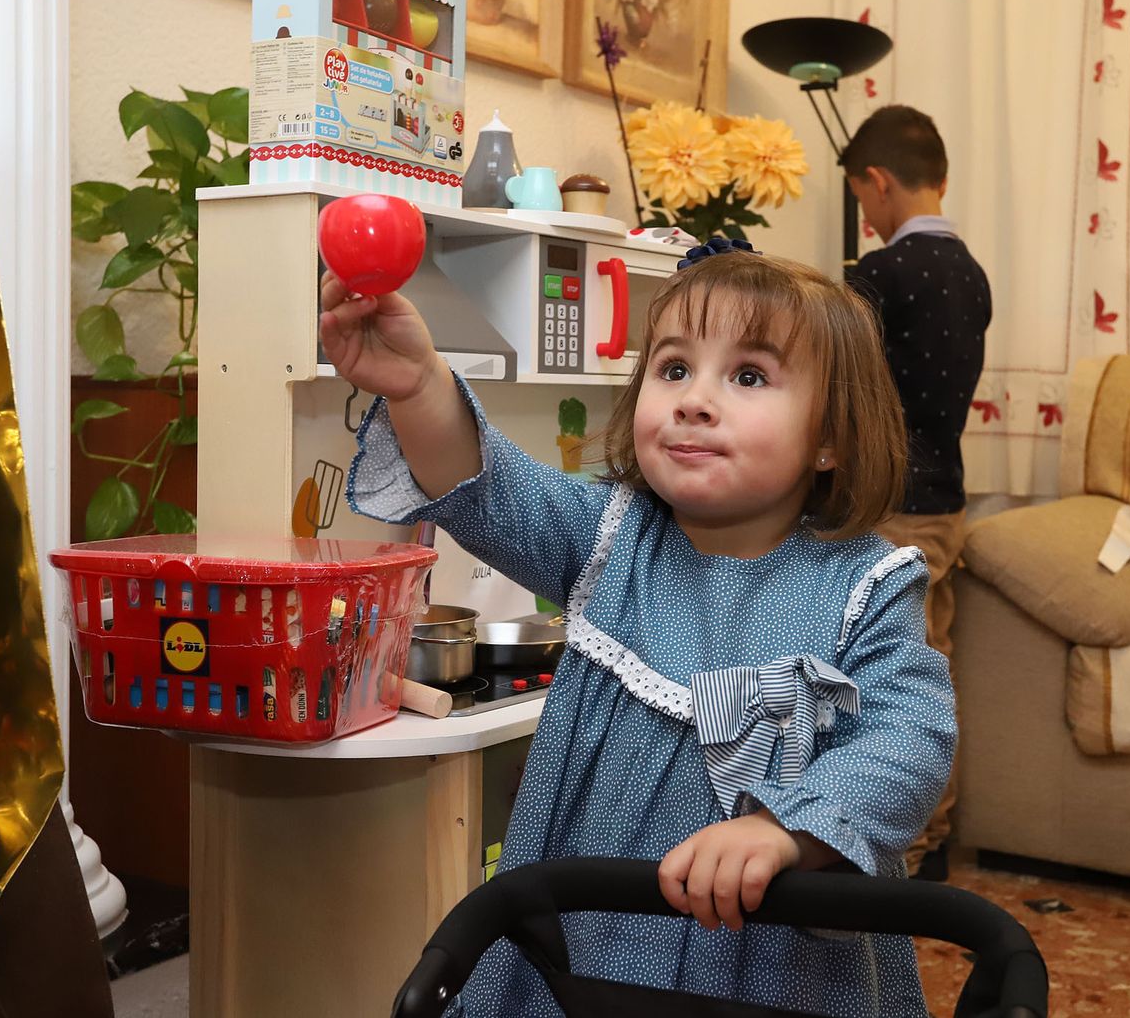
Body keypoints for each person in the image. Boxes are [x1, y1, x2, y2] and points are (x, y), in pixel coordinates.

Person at [320, 242, 955, 1017]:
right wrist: (419, 384)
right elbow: (486, 487)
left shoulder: (867, 583)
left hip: (772, 966)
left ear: (831, 437)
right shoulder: (609, 535)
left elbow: (910, 734)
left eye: (748, 376)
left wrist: (788, 830)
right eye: (674, 368)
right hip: (589, 947)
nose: (694, 400)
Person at [842, 105, 992, 879]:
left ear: (878, 182)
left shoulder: (884, 275)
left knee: (892, 676)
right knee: (933, 664)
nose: (867, 219)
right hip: (945, 502)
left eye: (862, 202)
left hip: (893, 506)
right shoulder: (972, 276)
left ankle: (906, 846)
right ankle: (931, 836)